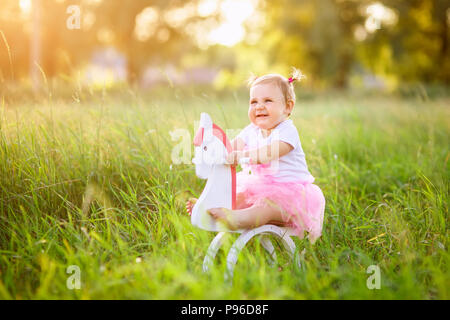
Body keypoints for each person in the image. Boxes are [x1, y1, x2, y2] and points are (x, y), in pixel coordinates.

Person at [186, 68, 325, 243]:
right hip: (261, 187)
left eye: (267, 101)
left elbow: (269, 153)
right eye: (253, 102)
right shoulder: (252, 130)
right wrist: (215, 153)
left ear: (287, 107)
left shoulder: (287, 130)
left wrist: (241, 155)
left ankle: (236, 219)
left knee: (265, 208)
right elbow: (230, 149)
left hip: (291, 196)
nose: (259, 106)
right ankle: (209, 207)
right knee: (237, 196)